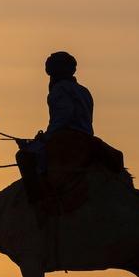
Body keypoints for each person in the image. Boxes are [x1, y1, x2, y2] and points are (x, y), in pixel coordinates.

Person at [16, 51, 95, 202]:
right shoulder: (84, 91)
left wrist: (45, 137)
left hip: (67, 138)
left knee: (24, 156)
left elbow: (63, 116)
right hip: (86, 137)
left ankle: (39, 203)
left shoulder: (59, 90)